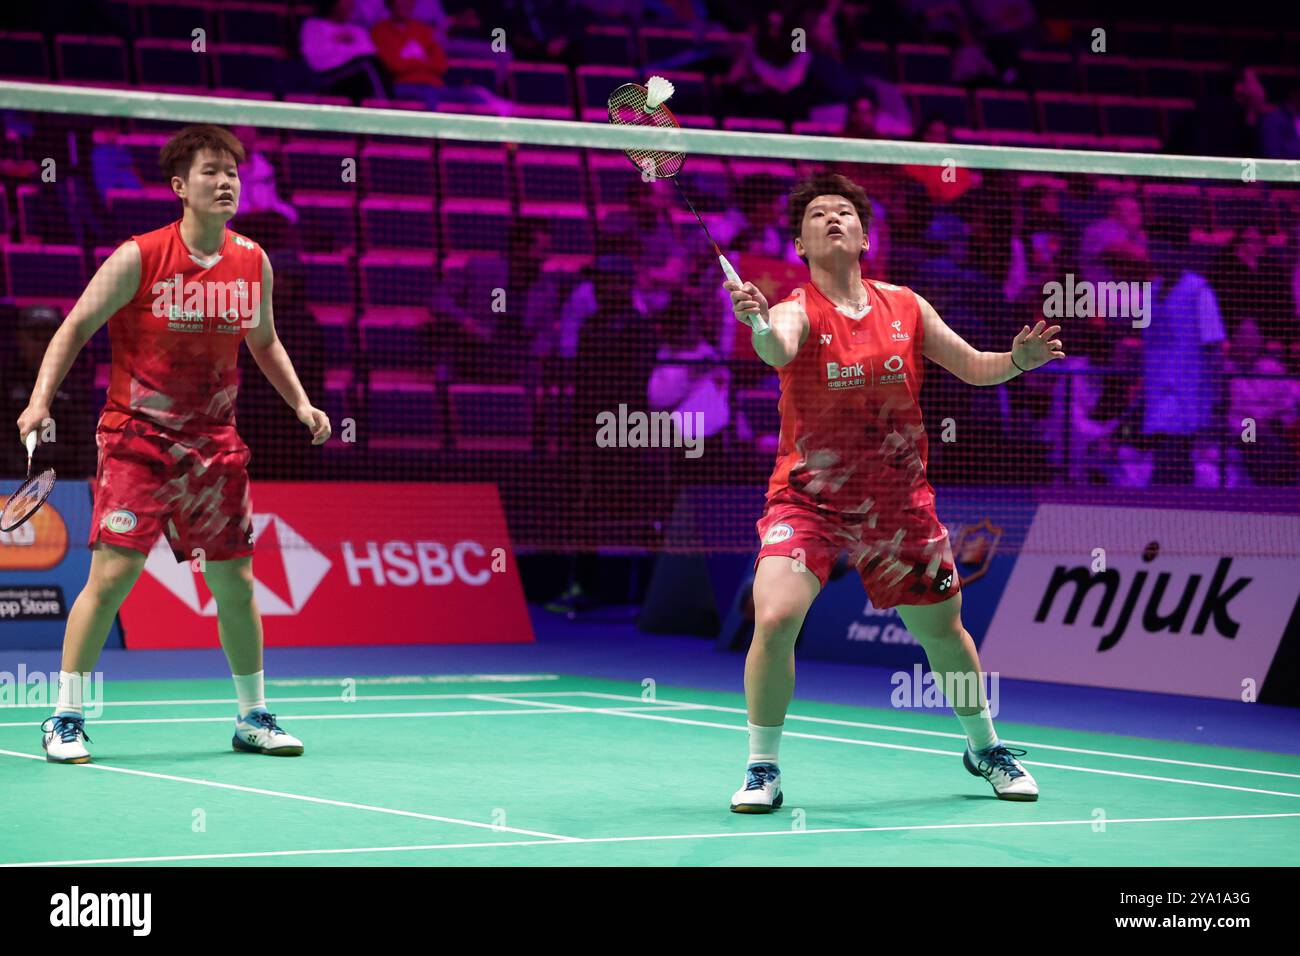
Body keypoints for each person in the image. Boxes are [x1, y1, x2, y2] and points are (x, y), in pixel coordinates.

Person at [722, 171, 1062, 812]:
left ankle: (984, 746)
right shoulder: (797, 310)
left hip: (896, 504)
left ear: (864, 235)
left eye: (843, 212)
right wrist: (757, 323)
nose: (831, 219)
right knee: (773, 616)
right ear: (799, 244)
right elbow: (775, 347)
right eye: (817, 214)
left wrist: (1018, 361)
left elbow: (972, 367)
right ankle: (762, 767)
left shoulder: (904, 305)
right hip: (808, 500)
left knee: (942, 633)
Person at [16, 125, 332, 764]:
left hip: (214, 446)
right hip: (138, 440)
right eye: (211, 172)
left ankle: (253, 716)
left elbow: (263, 340)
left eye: (233, 174)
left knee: (236, 581)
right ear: (180, 187)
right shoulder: (140, 256)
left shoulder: (253, 260)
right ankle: (66, 717)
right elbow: (75, 327)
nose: (225, 183)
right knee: (114, 574)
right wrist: (38, 401)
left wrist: (300, 402)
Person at [300, 0, 390, 103]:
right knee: (366, 64)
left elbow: (370, 54)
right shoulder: (314, 26)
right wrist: (348, 50)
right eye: (346, 1)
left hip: (353, 78)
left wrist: (339, 49)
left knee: (369, 66)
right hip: (326, 78)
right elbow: (316, 60)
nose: (351, 5)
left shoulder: (358, 30)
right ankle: (386, 106)